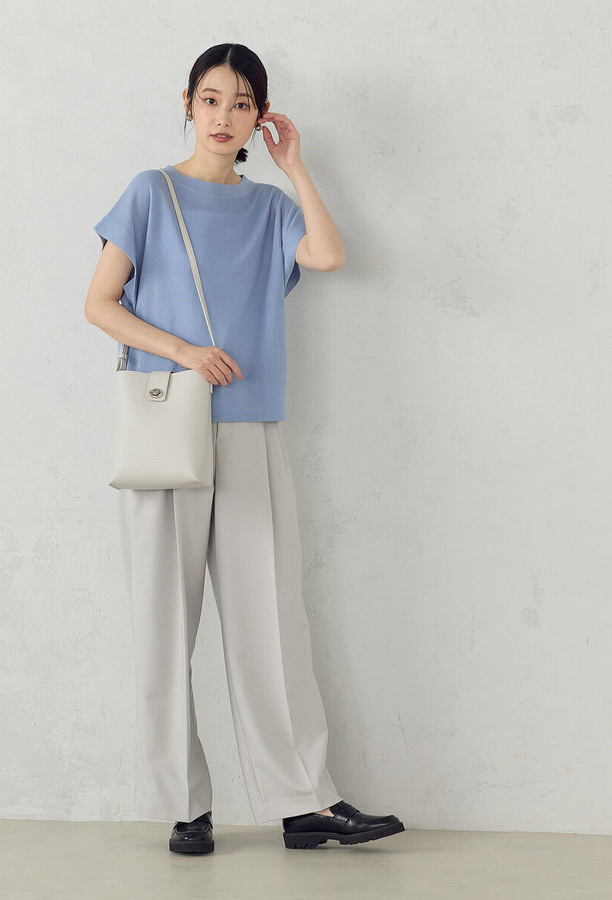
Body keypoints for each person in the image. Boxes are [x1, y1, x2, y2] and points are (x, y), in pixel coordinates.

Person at [85, 43, 405, 853]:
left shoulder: (269, 207)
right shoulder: (149, 193)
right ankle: (184, 806)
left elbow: (327, 256)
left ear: (260, 115)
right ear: (187, 104)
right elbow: (99, 303)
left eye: (241, 104)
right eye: (211, 99)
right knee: (165, 622)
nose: (224, 117)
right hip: (167, 429)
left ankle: (304, 802)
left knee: (271, 618)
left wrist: (295, 167)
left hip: (250, 427)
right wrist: (185, 352)